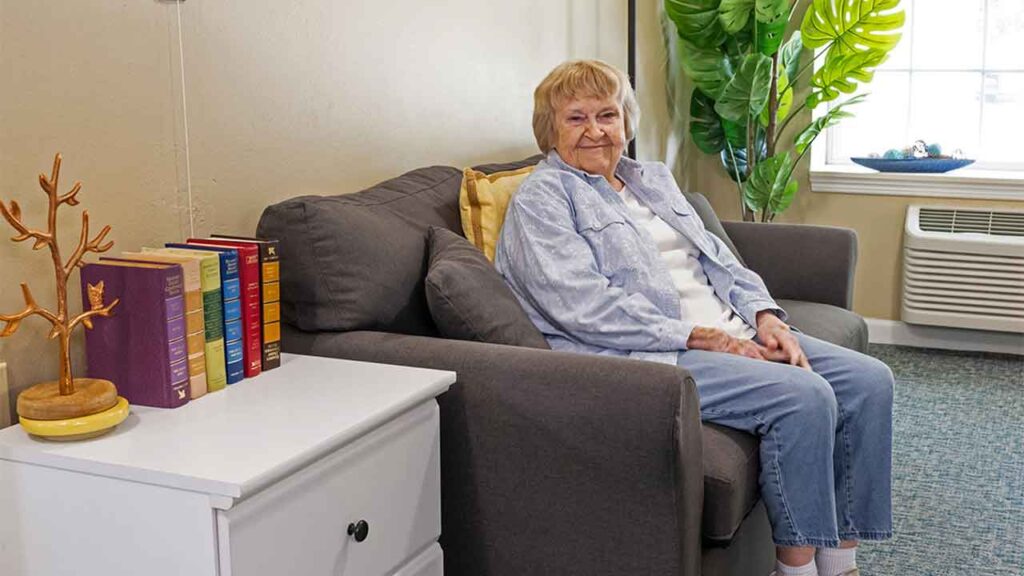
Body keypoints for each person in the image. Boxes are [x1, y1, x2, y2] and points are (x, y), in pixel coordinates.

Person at [494, 59, 894, 576]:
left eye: (607, 115)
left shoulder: (650, 179)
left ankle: (840, 563)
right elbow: (582, 305)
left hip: (731, 328)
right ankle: (796, 570)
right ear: (550, 131)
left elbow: (719, 259)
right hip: (654, 353)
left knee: (869, 382)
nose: (596, 131)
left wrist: (766, 316)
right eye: (576, 118)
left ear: (625, 122)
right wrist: (701, 336)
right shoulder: (542, 200)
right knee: (805, 395)